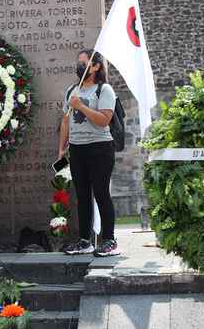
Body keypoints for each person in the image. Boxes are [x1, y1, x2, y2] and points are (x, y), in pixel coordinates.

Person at [58, 49, 120, 257]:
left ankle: (109, 240)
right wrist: (61, 147)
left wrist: (81, 107)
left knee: (101, 192)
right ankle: (85, 241)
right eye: (78, 63)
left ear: (95, 67)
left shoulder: (105, 90)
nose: (79, 66)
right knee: (82, 195)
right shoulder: (71, 91)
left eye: (84, 63)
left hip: (100, 148)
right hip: (77, 149)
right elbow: (65, 120)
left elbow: (104, 120)